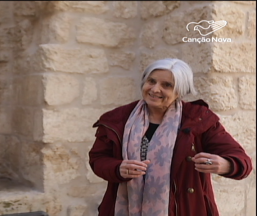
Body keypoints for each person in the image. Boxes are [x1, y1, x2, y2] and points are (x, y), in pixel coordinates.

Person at [88, 58, 253, 216]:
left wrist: (225, 165)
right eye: (151, 81)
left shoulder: (198, 119)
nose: (155, 89)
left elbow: (242, 161)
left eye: (166, 85)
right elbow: (98, 159)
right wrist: (118, 168)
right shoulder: (118, 119)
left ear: (180, 91)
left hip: (184, 209)